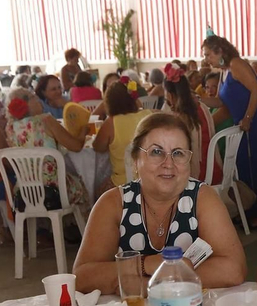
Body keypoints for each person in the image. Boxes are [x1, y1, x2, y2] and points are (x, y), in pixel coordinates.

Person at [72, 112, 246, 294]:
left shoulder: (202, 198)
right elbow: (82, 277)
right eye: (156, 152)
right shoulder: (113, 203)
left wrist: (149, 285)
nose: (168, 163)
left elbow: (233, 270)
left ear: (189, 161)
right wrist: (147, 264)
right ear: (135, 160)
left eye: (178, 153)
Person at [204, 33, 257, 228]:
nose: (206, 59)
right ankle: (250, 208)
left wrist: (248, 118)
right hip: (244, 123)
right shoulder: (224, 71)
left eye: (208, 55)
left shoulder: (237, 64)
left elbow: (256, 90)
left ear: (220, 51)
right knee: (246, 166)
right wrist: (198, 101)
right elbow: (223, 103)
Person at [3, 87, 91, 219]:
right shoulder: (45, 120)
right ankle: (83, 228)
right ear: (26, 104)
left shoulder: (10, 128)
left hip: (25, 193)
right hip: (53, 190)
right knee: (84, 181)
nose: (39, 101)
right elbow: (76, 146)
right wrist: (84, 131)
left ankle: (62, 228)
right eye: (34, 98)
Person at [92, 81, 152, 188]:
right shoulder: (148, 115)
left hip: (123, 183)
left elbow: (97, 147)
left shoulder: (111, 123)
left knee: (97, 190)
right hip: (149, 177)